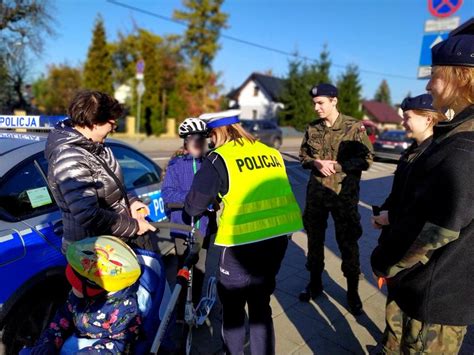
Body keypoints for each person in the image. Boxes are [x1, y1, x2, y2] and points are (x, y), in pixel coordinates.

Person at [371, 25, 474, 354]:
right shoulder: (457, 134)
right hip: (437, 288)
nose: (429, 84)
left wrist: (385, 262)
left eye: (435, 75)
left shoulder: (462, 146)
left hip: (435, 296)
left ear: (460, 76)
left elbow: (436, 230)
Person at [184, 110, 303, 355]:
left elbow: (193, 207)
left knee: (234, 308)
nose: (210, 141)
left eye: (210, 135)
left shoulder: (219, 158)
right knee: (261, 305)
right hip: (277, 240)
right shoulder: (271, 153)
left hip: (241, 245)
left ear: (216, 132)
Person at [370, 94, 446, 353]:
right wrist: (386, 212)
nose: (403, 122)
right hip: (397, 244)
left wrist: (391, 217)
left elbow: (428, 210)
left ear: (428, 118)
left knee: (410, 321)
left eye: (407, 117)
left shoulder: (437, 155)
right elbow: (399, 193)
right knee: (394, 310)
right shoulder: (412, 152)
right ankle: (389, 347)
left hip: (415, 254)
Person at [45, 90, 155, 252]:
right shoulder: (70, 157)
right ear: (95, 122)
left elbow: (111, 190)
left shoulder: (96, 147)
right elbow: (88, 214)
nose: (113, 128)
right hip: (91, 251)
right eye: (112, 124)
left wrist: (131, 202)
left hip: (109, 242)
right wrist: (134, 226)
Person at [298, 83, 373, 315]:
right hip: (316, 195)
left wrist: (339, 165)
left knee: (348, 243)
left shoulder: (353, 127)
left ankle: (352, 291)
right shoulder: (312, 128)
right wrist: (315, 163)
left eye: (321, 103)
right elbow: (303, 156)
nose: (316, 108)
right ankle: (315, 282)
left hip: (344, 197)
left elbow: (367, 159)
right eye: (314, 103)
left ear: (334, 101)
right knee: (314, 241)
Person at [22, 236, 142, 354]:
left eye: (76, 285)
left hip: (99, 347)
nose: (72, 289)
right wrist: (49, 341)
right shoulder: (79, 296)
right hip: (76, 338)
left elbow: (120, 343)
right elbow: (63, 316)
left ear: (95, 288)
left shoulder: (124, 309)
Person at [161, 118, 217, 309]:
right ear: (185, 141)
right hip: (182, 226)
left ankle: (195, 305)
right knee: (182, 268)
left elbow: (216, 192)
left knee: (200, 269)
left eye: (203, 139)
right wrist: (195, 198)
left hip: (204, 227)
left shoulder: (210, 164)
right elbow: (168, 195)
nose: (199, 143)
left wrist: (214, 200)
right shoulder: (176, 165)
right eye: (194, 139)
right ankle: (180, 306)